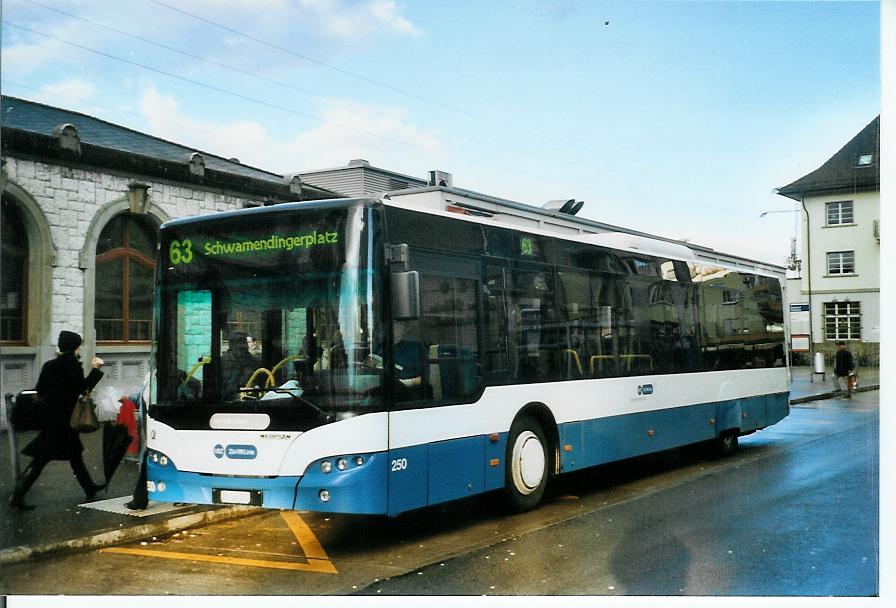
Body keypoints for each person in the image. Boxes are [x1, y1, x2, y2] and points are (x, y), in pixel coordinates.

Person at [9, 331, 106, 510]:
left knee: (74, 455)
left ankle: (89, 487)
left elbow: (40, 391)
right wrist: (96, 370)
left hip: (51, 419)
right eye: (78, 347)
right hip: (64, 421)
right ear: (74, 348)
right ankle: (18, 495)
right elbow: (83, 389)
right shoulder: (73, 366)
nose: (79, 350)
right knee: (41, 460)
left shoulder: (49, 365)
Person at [220, 331, 260, 399]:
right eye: (240, 347)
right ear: (231, 345)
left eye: (244, 344)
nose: (243, 351)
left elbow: (262, 384)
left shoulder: (255, 362)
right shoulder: (221, 363)